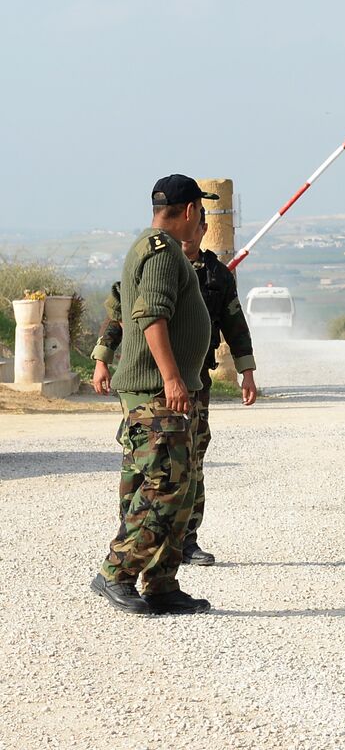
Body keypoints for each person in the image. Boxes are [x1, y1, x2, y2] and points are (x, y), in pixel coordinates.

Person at [92, 215, 258, 565]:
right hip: (154, 383)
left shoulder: (216, 275)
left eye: (200, 226)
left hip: (196, 381)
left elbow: (234, 322)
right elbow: (122, 315)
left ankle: (185, 538)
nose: (192, 230)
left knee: (191, 459)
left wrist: (247, 370)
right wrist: (103, 357)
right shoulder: (157, 263)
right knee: (142, 460)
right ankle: (133, 534)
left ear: (201, 231)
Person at [90, 174, 217, 615]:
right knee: (165, 483)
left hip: (165, 392)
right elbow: (151, 317)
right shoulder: (162, 253)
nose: (200, 217)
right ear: (189, 212)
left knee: (180, 487)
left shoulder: (159, 250)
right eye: (201, 210)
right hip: (155, 393)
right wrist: (172, 378)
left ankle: (162, 584)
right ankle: (116, 572)